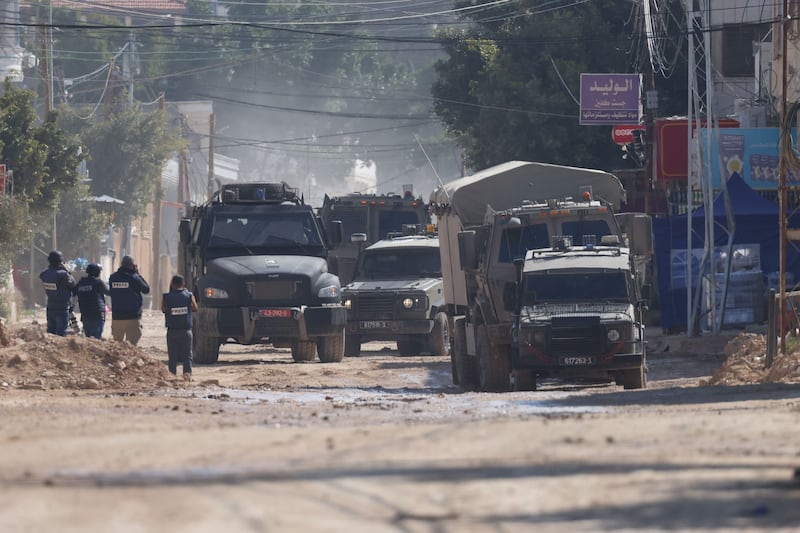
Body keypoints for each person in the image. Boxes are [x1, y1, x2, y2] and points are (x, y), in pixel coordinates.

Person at [161, 274, 198, 381]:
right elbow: (195, 308)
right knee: (187, 355)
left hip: (172, 332)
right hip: (186, 331)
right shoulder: (189, 296)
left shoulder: (166, 297)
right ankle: (187, 375)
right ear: (183, 284)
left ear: (172, 284)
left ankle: (172, 376)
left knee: (172, 356)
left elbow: (163, 309)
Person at [109, 255, 150, 345]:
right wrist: (137, 274)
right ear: (132, 265)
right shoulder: (134, 277)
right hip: (132, 316)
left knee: (117, 345)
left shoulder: (113, 277)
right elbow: (146, 289)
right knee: (131, 345)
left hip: (117, 316)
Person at [39, 250, 77, 336]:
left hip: (51, 306)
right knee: (61, 334)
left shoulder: (44, 274)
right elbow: (73, 285)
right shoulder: (63, 274)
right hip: (62, 307)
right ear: (60, 261)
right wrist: (67, 271)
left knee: (50, 333)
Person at [74, 263, 110, 339]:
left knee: (88, 337)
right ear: (97, 272)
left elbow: (73, 292)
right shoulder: (98, 282)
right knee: (96, 337)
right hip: (97, 314)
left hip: (85, 314)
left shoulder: (81, 283)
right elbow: (108, 292)